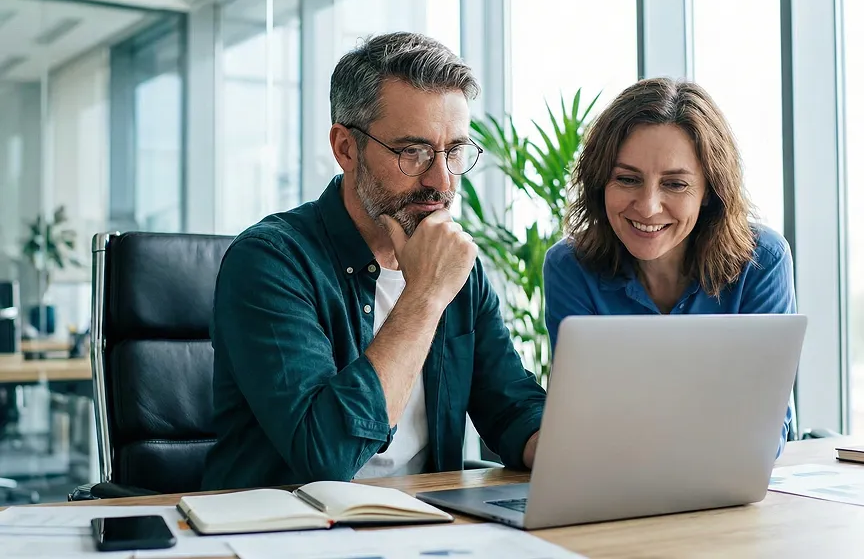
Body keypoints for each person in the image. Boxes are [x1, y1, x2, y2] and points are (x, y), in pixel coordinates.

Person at [203, 32, 545, 490]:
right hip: (285, 534)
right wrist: (424, 296)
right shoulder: (270, 261)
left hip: (431, 526)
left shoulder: (457, 267)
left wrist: (569, 450)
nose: (441, 180)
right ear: (346, 148)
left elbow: (511, 407)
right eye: (413, 152)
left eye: (454, 152)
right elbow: (325, 457)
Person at [544, 78, 796, 452]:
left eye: (675, 185)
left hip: (734, 488)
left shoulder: (762, 259)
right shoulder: (570, 267)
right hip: (616, 487)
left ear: (709, 189)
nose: (647, 207)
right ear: (600, 182)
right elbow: (583, 424)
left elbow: (767, 430)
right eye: (627, 179)